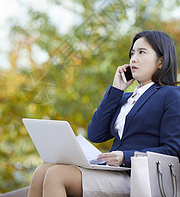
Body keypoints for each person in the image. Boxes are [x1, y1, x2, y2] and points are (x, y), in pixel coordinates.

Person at [27, 30, 180, 197]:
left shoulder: (171, 95)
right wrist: (116, 90)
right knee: (42, 170)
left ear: (161, 61)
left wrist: (124, 157)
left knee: (56, 175)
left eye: (142, 52)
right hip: (112, 172)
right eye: (132, 53)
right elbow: (95, 134)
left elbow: (172, 150)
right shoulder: (124, 98)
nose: (133, 58)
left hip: (137, 177)